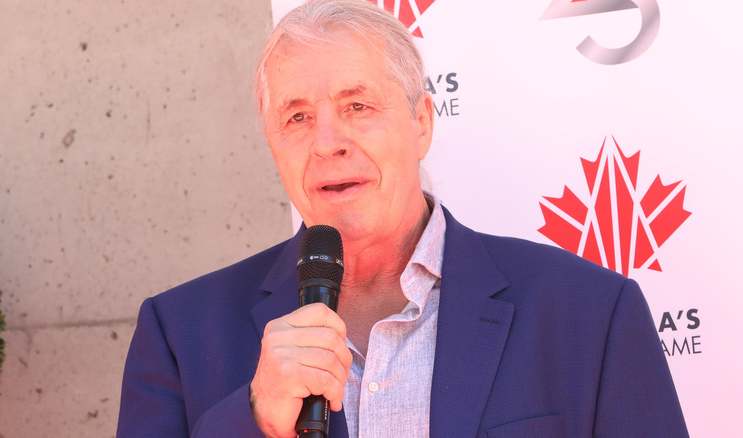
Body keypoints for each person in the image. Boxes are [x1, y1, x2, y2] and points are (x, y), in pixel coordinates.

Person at [116, 1, 689, 437]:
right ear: (272, 145)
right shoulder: (179, 333)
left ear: (421, 123)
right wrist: (255, 421)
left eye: (357, 107)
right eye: (296, 118)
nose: (327, 143)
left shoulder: (589, 313)